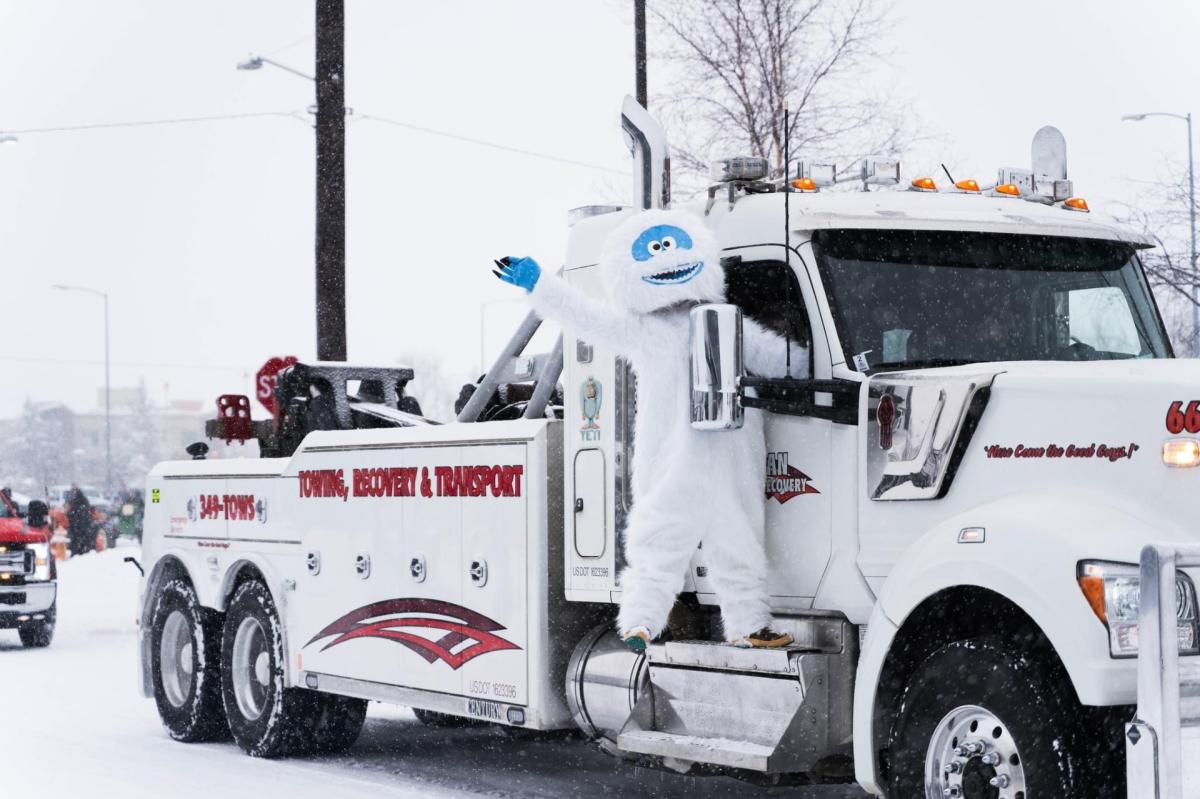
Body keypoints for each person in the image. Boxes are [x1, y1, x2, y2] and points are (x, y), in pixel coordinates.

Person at [495, 208, 806, 651]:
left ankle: (742, 624)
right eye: (656, 250)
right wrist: (541, 284)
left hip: (717, 459)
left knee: (728, 543)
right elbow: (586, 316)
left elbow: (784, 362)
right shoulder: (649, 331)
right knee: (669, 541)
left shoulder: (725, 321)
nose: (668, 258)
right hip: (688, 460)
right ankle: (643, 620)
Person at [65, 486, 93, 557]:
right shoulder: (83, 501)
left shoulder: (75, 502)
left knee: (76, 541)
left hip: (77, 526)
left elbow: (72, 514)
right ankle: (82, 552)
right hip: (83, 526)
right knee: (82, 541)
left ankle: (77, 552)